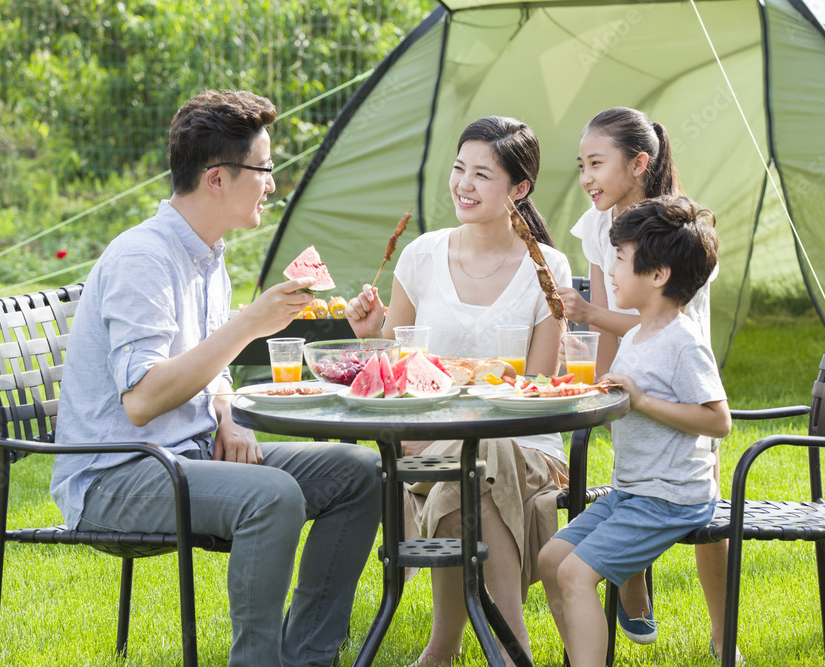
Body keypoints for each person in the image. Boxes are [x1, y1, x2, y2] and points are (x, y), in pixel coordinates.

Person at [50, 89, 382, 667]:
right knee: (273, 496)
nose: (274, 184)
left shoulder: (209, 253)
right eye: (265, 168)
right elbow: (143, 399)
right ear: (217, 179)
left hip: (190, 452)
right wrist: (249, 324)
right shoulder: (143, 259)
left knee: (361, 472)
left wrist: (227, 411)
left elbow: (208, 368)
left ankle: (307, 658)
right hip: (117, 476)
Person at [345, 116, 572, 666]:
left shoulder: (548, 266)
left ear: (520, 188)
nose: (463, 185)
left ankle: (450, 647)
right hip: (432, 439)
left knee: (480, 456)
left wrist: (456, 425)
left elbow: (536, 389)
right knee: (469, 469)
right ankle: (503, 649)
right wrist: (371, 333)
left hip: (524, 445)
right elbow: (398, 364)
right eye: (458, 169)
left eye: (482, 174)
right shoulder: (421, 255)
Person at [557, 107, 737, 663]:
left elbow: (661, 322)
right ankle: (628, 586)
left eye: (596, 163)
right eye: (580, 164)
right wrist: (598, 379)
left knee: (696, 482)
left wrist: (592, 315)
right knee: (632, 465)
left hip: (681, 372)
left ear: (638, 164)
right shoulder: (597, 223)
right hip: (638, 360)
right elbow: (622, 315)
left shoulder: (675, 235)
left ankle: (721, 634)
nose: (586, 177)